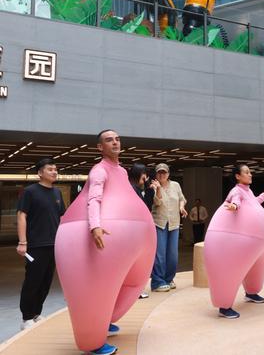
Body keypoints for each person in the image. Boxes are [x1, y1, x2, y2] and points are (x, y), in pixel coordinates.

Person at [55, 130, 156, 355]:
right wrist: (95, 226)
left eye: (117, 139)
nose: (115, 142)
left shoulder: (121, 171)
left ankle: (103, 322)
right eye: (109, 140)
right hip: (93, 232)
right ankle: (92, 340)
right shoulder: (99, 170)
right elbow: (94, 197)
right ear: (100, 147)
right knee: (96, 287)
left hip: (130, 238)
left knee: (129, 283)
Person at [204, 165, 264, 319]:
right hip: (234, 241)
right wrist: (234, 206)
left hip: (256, 243)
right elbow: (236, 201)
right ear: (238, 176)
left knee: (254, 271)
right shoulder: (236, 191)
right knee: (229, 272)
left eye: (250, 172)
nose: (250, 174)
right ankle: (224, 306)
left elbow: (254, 202)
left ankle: (251, 292)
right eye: (247, 172)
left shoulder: (248, 192)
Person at [16, 158, 65, 330]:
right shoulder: (30, 192)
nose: (54, 172)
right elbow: (21, 216)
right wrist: (22, 242)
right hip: (36, 245)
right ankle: (26, 318)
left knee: (45, 282)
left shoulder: (57, 193)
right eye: (50, 169)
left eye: (55, 169)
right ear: (40, 173)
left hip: (54, 244)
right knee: (33, 281)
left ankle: (36, 313)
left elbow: (61, 217)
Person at [151, 163, 187, 292]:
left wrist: (181, 207)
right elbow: (157, 202)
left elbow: (182, 198)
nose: (162, 175)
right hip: (159, 223)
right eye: (159, 172)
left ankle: (168, 279)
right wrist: (158, 189)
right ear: (156, 174)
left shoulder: (175, 185)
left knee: (173, 255)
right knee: (160, 254)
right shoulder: (153, 186)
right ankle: (157, 282)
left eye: (164, 172)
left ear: (168, 174)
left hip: (174, 223)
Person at [128, 162, 160, 299]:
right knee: (136, 261)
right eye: (144, 174)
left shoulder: (135, 188)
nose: (146, 177)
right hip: (134, 231)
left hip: (135, 230)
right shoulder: (132, 189)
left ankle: (134, 289)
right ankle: (134, 290)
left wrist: (149, 189)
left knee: (136, 261)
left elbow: (146, 206)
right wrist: (149, 189)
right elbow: (144, 207)